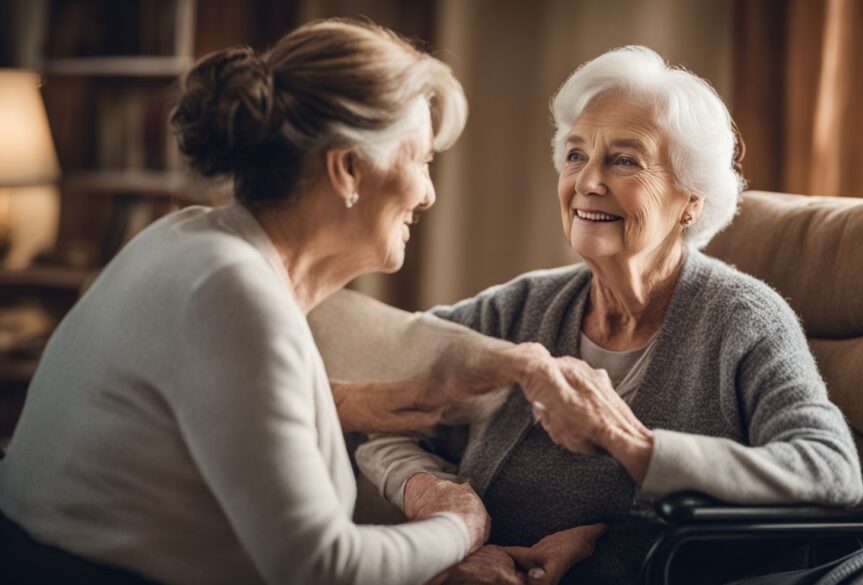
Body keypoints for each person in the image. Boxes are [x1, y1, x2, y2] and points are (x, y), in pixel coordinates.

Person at [0, 19, 566, 585]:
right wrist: (459, 526)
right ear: (347, 169)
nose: (428, 191)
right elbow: (321, 568)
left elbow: (207, 411)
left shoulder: (190, 240)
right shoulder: (232, 294)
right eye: (419, 160)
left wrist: (356, 402)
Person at [356, 46, 863, 584]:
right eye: (576, 156)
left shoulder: (743, 320)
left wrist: (630, 445)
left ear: (690, 198)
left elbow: (829, 470)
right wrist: (438, 506)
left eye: (624, 160)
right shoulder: (523, 307)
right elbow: (377, 398)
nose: (588, 183)